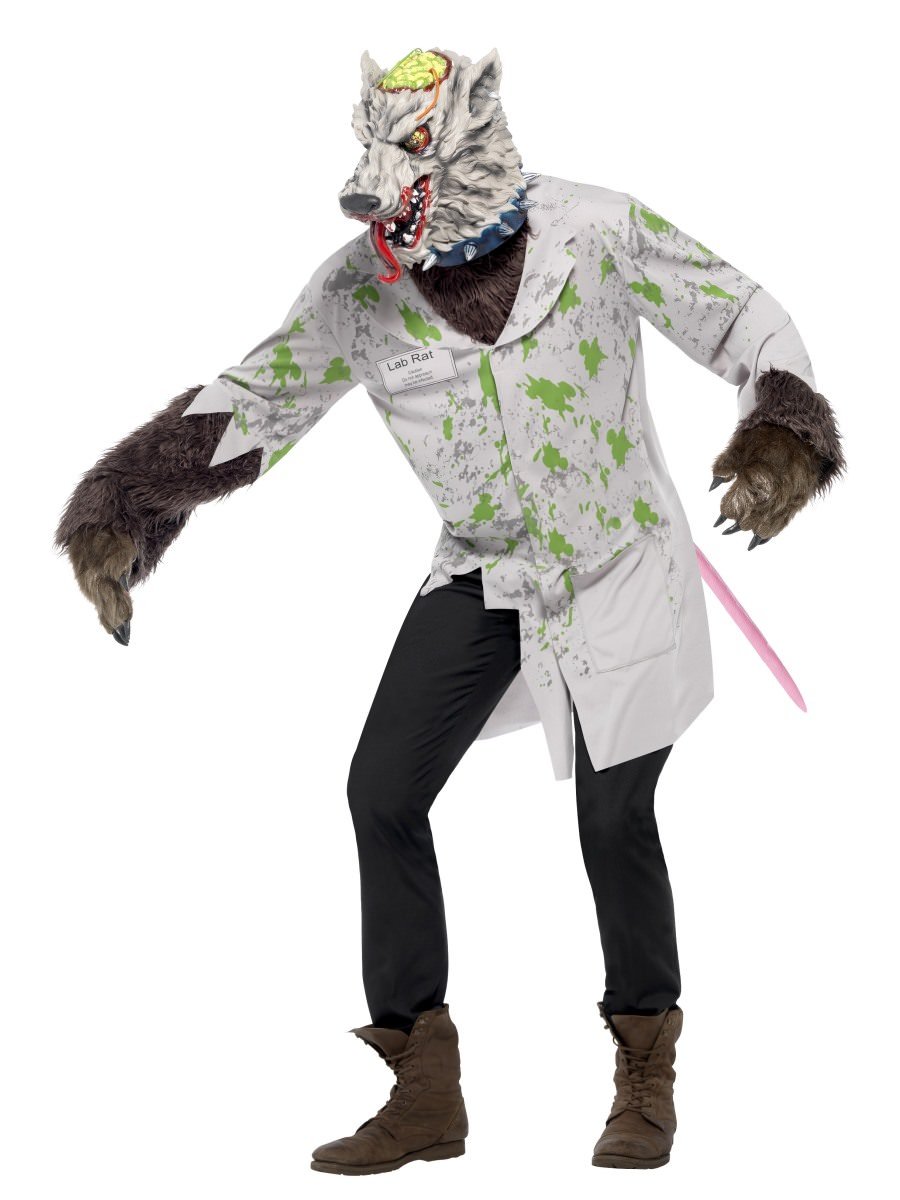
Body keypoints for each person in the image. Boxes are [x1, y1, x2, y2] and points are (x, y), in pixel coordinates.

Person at [54, 46, 844, 1175]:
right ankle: (424, 1089)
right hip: (485, 573)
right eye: (372, 149)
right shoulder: (356, 292)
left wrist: (781, 440)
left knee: (613, 817)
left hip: (621, 566)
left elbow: (745, 319)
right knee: (381, 791)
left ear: (472, 135)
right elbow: (253, 405)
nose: (377, 182)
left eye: (411, 147)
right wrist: (121, 509)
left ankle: (645, 1072)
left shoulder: (595, 229)